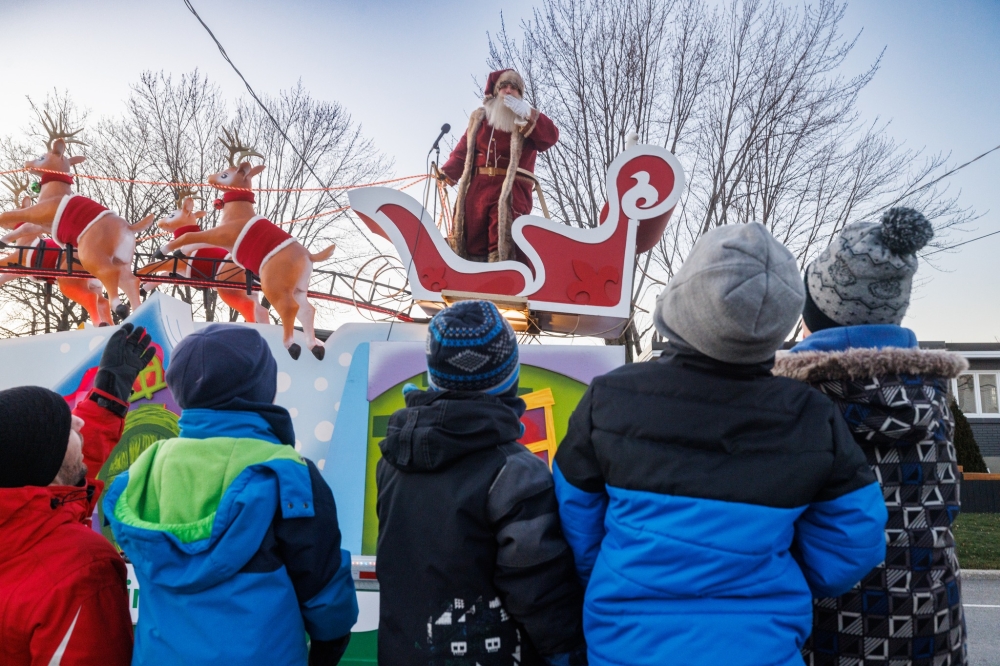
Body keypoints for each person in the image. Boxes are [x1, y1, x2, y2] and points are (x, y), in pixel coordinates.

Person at [553, 223, 889, 666]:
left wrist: (611, 569)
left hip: (627, 644)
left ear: (682, 301)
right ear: (780, 322)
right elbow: (856, 540)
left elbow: (575, 517)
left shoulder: (609, 399)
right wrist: (785, 573)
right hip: (761, 649)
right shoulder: (810, 415)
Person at [774, 208, 969, 665]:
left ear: (814, 312)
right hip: (930, 620)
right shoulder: (932, 396)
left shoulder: (790, 399)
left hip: (827, 624)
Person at [104, 324, 357, 665]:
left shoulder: (143, 470)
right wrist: (327, 651)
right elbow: (324, 594)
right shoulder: (287, 474)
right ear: (263, 387)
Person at [376, 300, 587, 666]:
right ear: (510, 378)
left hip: (404, 652)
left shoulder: (392, 461)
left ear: (434, 375)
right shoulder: (515, 472)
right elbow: (538, 588)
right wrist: (567, 653)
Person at [0, 323, 155, 665]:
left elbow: (58, 466)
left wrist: (109, 394)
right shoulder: (80, 568)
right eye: (67, 427)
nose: (80, 424)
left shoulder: (18, 517)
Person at [439, 69, 559, 262]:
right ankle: (469, 281)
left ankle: (504, 279)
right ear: (496, 92)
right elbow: (462, 151)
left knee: (504, 238)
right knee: (470, 236)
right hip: (477, 189)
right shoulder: (479, 119)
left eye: (514, 88)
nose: (509, 91)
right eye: (504, 87)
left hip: (511, 190)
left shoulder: (525, 120)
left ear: (520, 95)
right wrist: (446, 173)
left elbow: (551, 136)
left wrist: (528, 115)